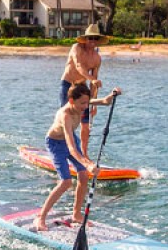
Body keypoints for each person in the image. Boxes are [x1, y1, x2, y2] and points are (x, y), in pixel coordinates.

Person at [33, 83, 121, 231]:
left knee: (84, 176)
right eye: (83, 103)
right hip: (56, 144)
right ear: (72, 101)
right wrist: (87, 163)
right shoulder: (65, 115)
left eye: (87, 102)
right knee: (66, 182)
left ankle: (76, 215)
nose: (86, 107)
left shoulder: (81, 103)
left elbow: (105, 101)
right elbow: (71, 148)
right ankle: (41, 217)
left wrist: (113, 95)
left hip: (71, 140)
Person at [59, 23, 108, 151]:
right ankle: (66, 150)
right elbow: (79, 66)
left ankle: (84, 154)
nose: (92, 41)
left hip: (82, 88)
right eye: (90, 38)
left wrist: (94, 104)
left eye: (95, 38)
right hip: (68, 84)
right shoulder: (76, 48)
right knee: (67, 120)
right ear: (85, 39)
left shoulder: (97, 58)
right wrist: (93, 79)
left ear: (98, 41)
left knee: (85, 125)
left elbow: (94, 84)